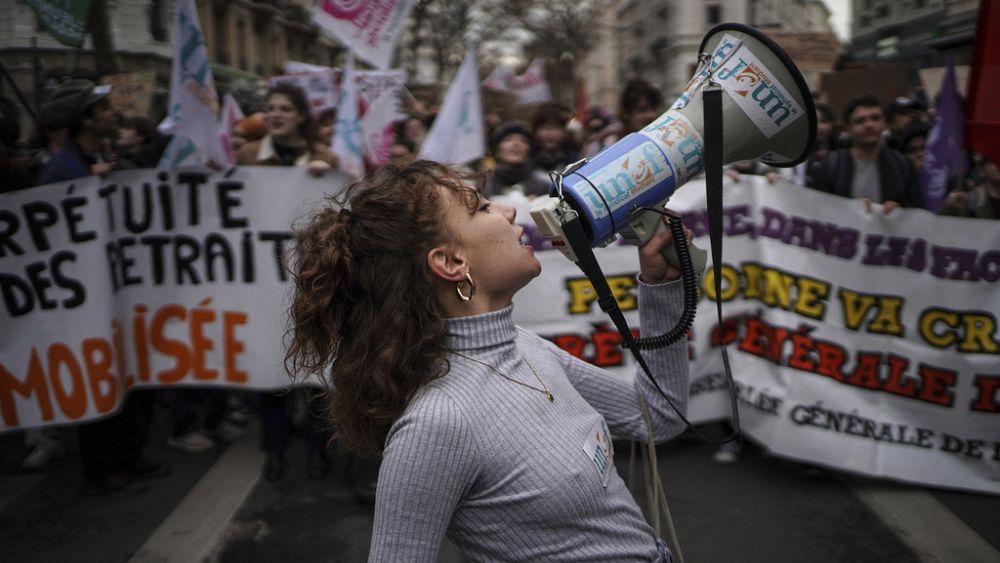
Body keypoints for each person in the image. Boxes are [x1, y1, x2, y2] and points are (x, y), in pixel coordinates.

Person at [284, 160, 690, 561]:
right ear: (450, 263)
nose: (509, 210)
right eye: (482, 208)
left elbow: (657, 417)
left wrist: (662, 287)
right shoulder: (437, 424)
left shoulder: (527, 347)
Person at [808, 95, 922, 213]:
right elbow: (818, 209)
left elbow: (917, 210)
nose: (869, 125)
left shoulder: (903, 165)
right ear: (848, 129)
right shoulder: (830, 166)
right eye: (860, 121)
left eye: (875, 118)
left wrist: (901, 212)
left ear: (885, 124)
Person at [236, 82, 338, 175]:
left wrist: (328, 177)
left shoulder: (325, 157)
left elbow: (339, 192)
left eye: (286, 109)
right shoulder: (247, 154)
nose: (276, 115)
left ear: (301, 116)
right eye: (270, 109)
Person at [37, 78, 118, 185]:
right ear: (86, 119)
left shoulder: (107, 159)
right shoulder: (60, 170)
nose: (114, 111)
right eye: (105, 108)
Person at [582, 79, 663, 159]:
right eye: (642, 110)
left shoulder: (662, 139)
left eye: (654, 108)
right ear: (626, 113)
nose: (651, 115)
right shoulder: (606, 143)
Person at [481, 121, 550, 198]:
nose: (516, 144)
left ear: (530, 151)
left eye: (523, 141)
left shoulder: (544, 186)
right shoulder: (483, 184)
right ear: (497, 151)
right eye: (508, 139)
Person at [531, 102, 579, 174]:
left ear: (565, 132)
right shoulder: (528, 163)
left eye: (555, 128)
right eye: (544, 128)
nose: (549, 133)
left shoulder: (575, 161)